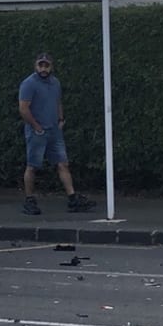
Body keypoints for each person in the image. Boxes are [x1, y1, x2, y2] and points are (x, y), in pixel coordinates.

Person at [18, 52, 95, 215]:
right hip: (37, 131)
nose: (43, 68)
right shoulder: (29, 84)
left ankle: (72, 198)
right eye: (41, 65)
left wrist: (60, 119)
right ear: (36, 65)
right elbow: (23, 108)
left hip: (54, 130)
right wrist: (36, 126)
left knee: (62, 163)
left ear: (51, 66)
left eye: (46, 65)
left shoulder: (55, 83)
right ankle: (29, 200)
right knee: (32, 166)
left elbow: (58, 101)